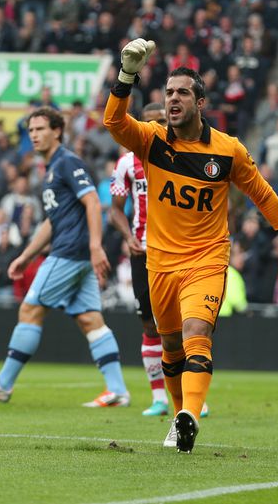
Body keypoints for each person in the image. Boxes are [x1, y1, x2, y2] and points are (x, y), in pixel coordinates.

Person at [104, 40, 278, 453]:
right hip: (159, 263)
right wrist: (126, 77)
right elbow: (113, 122)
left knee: (198, 333)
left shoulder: (228, 150)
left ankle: (191, 414)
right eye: (168, 92)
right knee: (172, 347)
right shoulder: (151, 141)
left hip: (206, 259)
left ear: (200, 101)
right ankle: (180, 421)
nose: (172, 99)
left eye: (181, 93)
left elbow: (262, 193)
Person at [0, 107, 129, 407]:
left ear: (57, 131)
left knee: (29, 310)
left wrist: (95, 245)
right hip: (73, 250)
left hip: (70, 251)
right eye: (31, 131)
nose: (35, 135)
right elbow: (52, 221)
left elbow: (92, 202)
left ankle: (3, 383)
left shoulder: (66, 162)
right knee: (91, 319)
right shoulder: (50, 169)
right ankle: (117, 390)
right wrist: (26, 255)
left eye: (40, 129)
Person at [108, 102, 210, 419]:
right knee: (150, 325)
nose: (157, 128)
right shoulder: (126, 163)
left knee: (185, 327)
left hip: (180, 251)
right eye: (149, 123)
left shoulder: (184, 157)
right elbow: (115, 210)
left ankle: (192, 398)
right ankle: (159, 398)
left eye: (161, 122)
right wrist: (128, 237)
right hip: (143, 251)